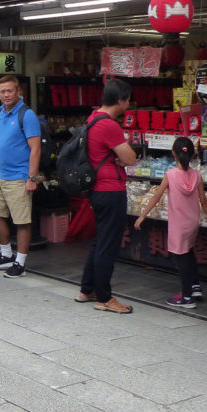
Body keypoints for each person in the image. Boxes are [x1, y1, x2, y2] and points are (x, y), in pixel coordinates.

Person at [135, 137, 207, 308]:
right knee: (188, 252)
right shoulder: (197, 176)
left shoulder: (171, 175)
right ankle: (195, 285)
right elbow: (204, 202)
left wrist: (142, 215)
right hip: (192, 222)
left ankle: (186, 297)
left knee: (181, 258)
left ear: (173, 153)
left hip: (178, 224)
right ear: (192, 154)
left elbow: (156, 196)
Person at [77, 78, 138, 314]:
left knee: (100, 240)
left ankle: (87, 289)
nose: (129, 104)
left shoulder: (93, 118)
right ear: (121, 100)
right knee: (108, 245)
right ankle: (104, 297)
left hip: (97, 190)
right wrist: (122, 154)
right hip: (110, 189)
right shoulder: (109, 125)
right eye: (128, 99)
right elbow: (131, 158)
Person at [0, 75, 40, 279]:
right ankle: (6, 254)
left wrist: (31, 179)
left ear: (18, 92)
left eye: (9, 91)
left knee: (22, 221)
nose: (5, 95)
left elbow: (35, 149)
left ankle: (20, 262)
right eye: (2, 91)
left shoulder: (27, 115)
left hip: (19, 176)